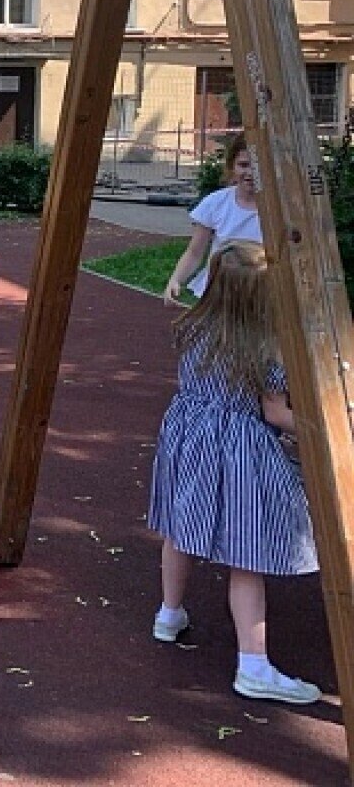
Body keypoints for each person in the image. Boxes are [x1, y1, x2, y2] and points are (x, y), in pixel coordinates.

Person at [147, 240, 321, 705]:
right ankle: (253, 665)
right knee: (246, 551)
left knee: (180, 527)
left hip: (187, 436)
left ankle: (169, 613)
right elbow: (275, 413)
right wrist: (319, 425)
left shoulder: (193, 327)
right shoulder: (267, 348)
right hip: (239, 448)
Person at [164, 134, 262, 304]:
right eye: (243, 165)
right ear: (232, 166)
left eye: (257, 166)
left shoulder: (278, 209)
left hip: (260, 288)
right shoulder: (216, 203)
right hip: (219, 289)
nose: (250, 173)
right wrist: (175, 279)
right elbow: (194, 252)